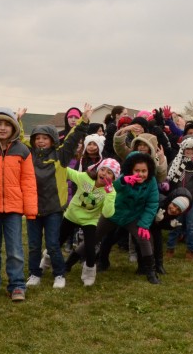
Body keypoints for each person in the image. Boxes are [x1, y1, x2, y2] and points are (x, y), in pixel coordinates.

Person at [25, 104, 91, 289]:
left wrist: (83, 120)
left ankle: (59, 274)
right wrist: (17, 121)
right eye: (37, 138)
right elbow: (15, 140)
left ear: (53, 139)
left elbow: (72, 138)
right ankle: (34, 274)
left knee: (53, 244)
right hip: (33, 208)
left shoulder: (60, 155)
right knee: (33, 245)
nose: (40, 141)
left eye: (45, 138)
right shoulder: (28, 156)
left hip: (53, 208)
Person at [0, 109, 38, 302]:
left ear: (14, 127)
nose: (3, 128)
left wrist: (30, 210)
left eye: (7, 124)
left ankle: (17, 285)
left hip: (13, 208)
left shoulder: (23, 150)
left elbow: (28, 182)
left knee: (15, 249)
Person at [95, 152, 160, 283]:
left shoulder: (151, 181)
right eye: (137, 170)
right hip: (114, 213)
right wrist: (123, 181)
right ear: (131, 170)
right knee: (94, 235)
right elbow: (113, 187)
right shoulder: (123, 178)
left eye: (144, 171)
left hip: (133, 217)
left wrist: (144, 224)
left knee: (144, 238)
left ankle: (151, 272)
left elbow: (152, 203)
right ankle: (70, 262)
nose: (140, 174)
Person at [61, 158, 120, 286]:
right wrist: (58, 162)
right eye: (103, 169)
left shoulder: (111, 192)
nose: (104, 173)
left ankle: (89, 273)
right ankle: (46, 262)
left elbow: (108, 213)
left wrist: (109, 195)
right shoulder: (85, 178)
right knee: (57, 241)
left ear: (114, 178)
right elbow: (68, 172)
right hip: (71, 215)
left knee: (90, 247)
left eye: (109, 173)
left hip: (90, 220)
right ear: (98, 170)